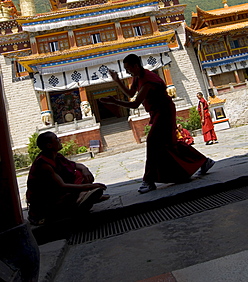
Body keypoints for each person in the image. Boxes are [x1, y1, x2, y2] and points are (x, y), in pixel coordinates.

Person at [100, 54, 214, 194]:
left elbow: (135, 104)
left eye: (128, 68)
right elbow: (130, 93)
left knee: (152, 141)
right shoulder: (137, 77)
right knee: (170, 143)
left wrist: (114, 102)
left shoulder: (148, 80)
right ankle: (203, 161)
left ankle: (148, 180)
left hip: (164, 112)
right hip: (156, 113)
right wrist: (117, 81)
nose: (127, 71)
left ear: (136, 66)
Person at [26, 131, 108, 225]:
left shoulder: (57, 156)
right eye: (56, 139)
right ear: (49, 145)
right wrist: (90, 186)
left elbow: (76, 166)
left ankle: (83, 197)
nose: (59, 140)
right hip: (46, 202)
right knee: (68, 196)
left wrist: (85, 169)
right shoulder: (43, 164)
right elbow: (63, 186)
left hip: (60, 193)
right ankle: (81, 198)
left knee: (79, 174)